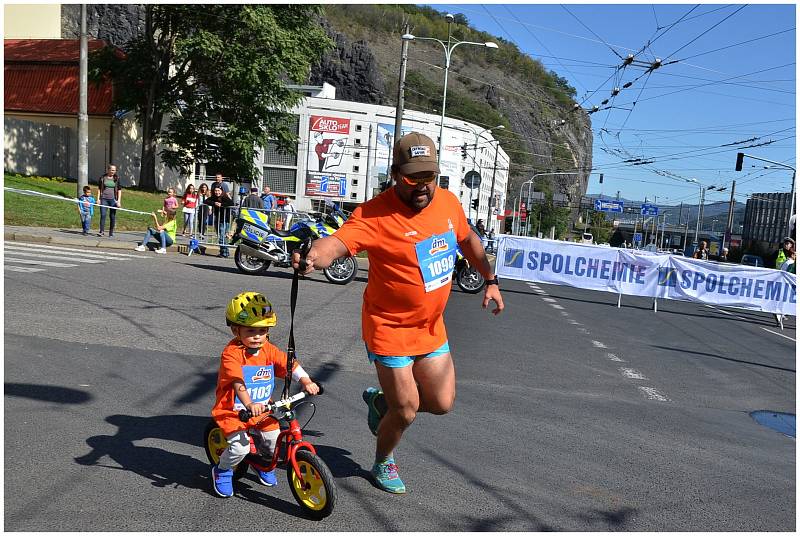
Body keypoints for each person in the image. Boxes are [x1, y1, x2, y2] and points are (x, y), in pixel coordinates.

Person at [292, 132, 504, 494]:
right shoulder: (375, 214)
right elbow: (339, 243)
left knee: (440, 403)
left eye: (429, 177)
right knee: (406, 409)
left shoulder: (449, 204)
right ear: (395, 174)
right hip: (388, 328)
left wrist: (491, 279)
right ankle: (382, 461)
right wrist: (312, 256)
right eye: (412, 178)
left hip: (430, 328)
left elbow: (468, 241)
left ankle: (380, 402)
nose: (422, 186)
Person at [210, 291, 320, 498]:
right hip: (233, 412)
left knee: (273, 442)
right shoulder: (232, 354)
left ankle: (262, 464)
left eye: (262, 330)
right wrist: (249, 403)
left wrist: (305, 380)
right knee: (240, 448)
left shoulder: (267, 349)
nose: (257, 336)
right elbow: (237, 381)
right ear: (236, 330)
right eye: (251, 331)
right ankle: (222, 470)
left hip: (263, 410)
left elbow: (288, 364)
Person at [204, 185, 235, 258]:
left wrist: (221, 205)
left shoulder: (225, 197)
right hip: (217, 219)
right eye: (215, 191)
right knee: (220, 236)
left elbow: (231, 203)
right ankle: (223, 252)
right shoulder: (214, 198)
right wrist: (214, 203)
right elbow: (206, 201)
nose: (217, 192)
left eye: (218, 191)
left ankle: (224, 253)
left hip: (224, 220)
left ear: (221, 191)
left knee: (222, 237)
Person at [98, 164, 122, 237]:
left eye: (114, 170)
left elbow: (119, 190)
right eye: (112, 170)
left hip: (113, 200)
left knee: (112, 216)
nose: (113, 172)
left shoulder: (117, 178)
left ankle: (111, 232)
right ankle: (101, 231)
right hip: (104, 199)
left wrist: (118, 201)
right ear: (108, 170)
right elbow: (99, 189)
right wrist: (98, 199)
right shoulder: (103, 178)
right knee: (103, 214)